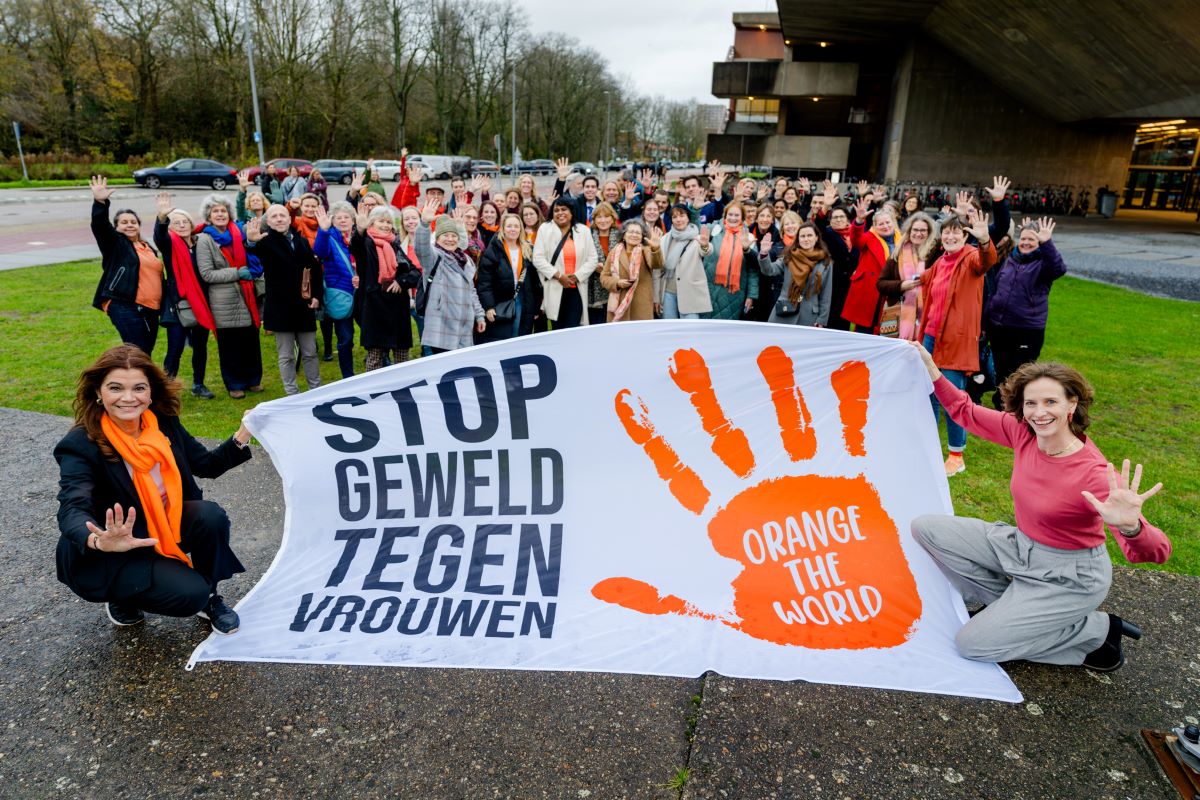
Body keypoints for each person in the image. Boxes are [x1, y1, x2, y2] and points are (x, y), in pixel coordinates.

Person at [910, 348, 1171, 672]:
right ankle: (1014, 612)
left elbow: (1159, 552)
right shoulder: (1024, 432)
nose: (1039, 412)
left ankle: (1097, 633)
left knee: (972, 644)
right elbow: (966, 413)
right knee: (926, 529)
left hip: (1070, 576)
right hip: (1021, 547)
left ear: (1072, 405)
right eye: (1031, 403)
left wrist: (1133, 527)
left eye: (1051, 402)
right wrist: (932, 370)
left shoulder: (1095, 474)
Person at [53, 345, 253, 634]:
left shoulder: (162, 423)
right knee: (187, 595)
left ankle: (210, 596)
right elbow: (73, 507)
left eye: (139, 388)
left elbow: (207, 465)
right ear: (99, 392)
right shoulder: (80, 443)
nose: (128, 398)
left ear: (150, 392)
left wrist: (243, 434)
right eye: (116, 388)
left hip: (162, 526)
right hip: (113, 543)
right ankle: (122, 594)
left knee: (210, 516)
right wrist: (99, 541)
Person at [919, 211, 997, 476]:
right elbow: (922, 280)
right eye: (947, 231)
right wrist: (893, 286)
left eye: (957, 232)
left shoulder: (970, 259)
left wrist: (985, 240)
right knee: (928, 392)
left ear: (966, 237)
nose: (950, 236)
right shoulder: (942, 261)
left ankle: (956, 454)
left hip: (955, 342)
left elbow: (986, 259)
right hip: (930, 337)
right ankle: (928, 447)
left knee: (952, 397)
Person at [985, 217, 1066, 407]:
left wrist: (1047, 242)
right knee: (1001, 368)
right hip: (999, 326)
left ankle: (1015, 405)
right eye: (1023, 238)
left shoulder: (1043, 264)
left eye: (1032, 240)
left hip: (1026, 329)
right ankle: (1002, 402)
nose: (1026, 243)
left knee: (1020, 371)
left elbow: (1058, 268)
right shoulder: (1010, 259)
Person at [245, 205, 323, 395]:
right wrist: (251, 241)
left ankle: (316, 390)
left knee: (310, 352)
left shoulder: (302, 241)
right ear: (268, 222)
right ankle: (292, 393)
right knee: (286, 355)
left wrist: (317, 296)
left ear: (289, 219)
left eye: (282, 215)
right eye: (274, 216)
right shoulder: (266, 242)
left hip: (304, 306)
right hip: (280, 308)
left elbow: (314, 270)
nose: (279, 219)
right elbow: (255, 250)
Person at [194, 194, 263, 399]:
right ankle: (234, 384)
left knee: (251, 340)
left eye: (223, 210)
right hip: (223, 299)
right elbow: (207, 274)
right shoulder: (204, 240)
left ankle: (253, 380)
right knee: (230, 345)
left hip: (247, 294)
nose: (220, 214)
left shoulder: (238, 232)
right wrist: (237, 272)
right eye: (215, 211)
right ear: (208, 215)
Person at [88, 176, 164, 355]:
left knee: (144, 352)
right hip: (125, 305)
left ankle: (137, 381)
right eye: (124, 222)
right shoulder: (116, 244)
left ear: (139, 226)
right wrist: (100, 202)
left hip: (151, 308)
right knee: (138, 352)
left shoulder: (147, 248)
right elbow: (99, 225)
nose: (129, 225)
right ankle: (136, 382)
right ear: (116, 228)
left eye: (133, 222)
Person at [152, 193, 215, 399]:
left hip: (201, 303)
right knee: (175, 348)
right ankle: (166, 390)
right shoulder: (170, 245)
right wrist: (161, 218)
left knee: (200, 347)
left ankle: (198, 384)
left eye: (184, 221)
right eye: (175, 222)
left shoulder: (202, 243)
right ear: (171, 227)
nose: (181, 225)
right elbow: (159, 237)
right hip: (177, 305)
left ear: (191, 223)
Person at [352, 205, 421, 369]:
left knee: (401, 359)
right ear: (372, 223)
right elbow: (356, 247)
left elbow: (414, 273)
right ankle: (374, 392)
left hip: (397, 310)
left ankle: (402, 390)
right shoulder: (366, 243)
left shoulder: (395, 245)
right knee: (375, 358)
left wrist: (401, 281)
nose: (385, 225)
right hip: (375, 309)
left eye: (389, 222)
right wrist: (360, 230)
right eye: (381, 221)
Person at [414, 198, 486, 353]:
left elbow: (471, 291)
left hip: (464, 328)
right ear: (438, 238)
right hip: (442, 329)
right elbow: (421, 248)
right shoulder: (433, 258)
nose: (450, 239)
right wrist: (424, 224)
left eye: (453, 236)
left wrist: (479, 315)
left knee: (462, 373)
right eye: (445, 235)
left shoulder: (465, 260)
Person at [532, 197, 598, 329]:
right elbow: (538, 258)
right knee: (558, 329)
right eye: (556, 210)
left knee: (573, 328)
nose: (560, 213)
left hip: (576, 289)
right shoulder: (545, 229)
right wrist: (559, 276)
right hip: (555, 287)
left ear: (572, 212)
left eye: (564, 209)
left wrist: (576, 277)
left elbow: (592, 259)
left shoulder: (583, 230)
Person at [312, 202, 360, 379]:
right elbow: (320, 252)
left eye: (346, 217)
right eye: (338, 217)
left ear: (353, 220)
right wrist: (323, 231)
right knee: (345, 338)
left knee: (372, 332)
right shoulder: (328, 236)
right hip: (341, 293)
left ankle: (379, 364)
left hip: (361, 292)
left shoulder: (359, 235)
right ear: (332, 221)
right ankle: (348, 376)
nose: (342, 220)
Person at [757, 221, 833, 326]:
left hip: (808, 317)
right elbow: (769, 270)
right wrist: (764, 253)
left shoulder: (825, 263)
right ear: (798, 239)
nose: (806, 239)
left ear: (816, 238)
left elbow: (826, 295)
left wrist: (822, 320)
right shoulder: (789, 257)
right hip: (784, 312)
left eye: (810, 235)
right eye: (803, 236)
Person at [877, 212, 938, 341]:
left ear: (929, 233)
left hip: (927, 315)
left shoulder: (936, 254)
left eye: (923, 230)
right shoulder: (898, 253)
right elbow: (880, 283)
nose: (919, 233)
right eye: (915, 230)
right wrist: (901, 285)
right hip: (898, 314)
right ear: (909, 231)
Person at [841, 197, 898, 332]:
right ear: (874, 226)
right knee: (864, 330)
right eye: (881, 224)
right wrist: (859, 221)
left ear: (894, 222)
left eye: (888, 222)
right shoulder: (869, 237)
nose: (885, 226)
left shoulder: (902, 239)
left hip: (891, 291)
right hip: (869, 292)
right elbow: (856, 240)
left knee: (887, 330)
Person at [476, 212, 534, 342]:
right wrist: (489, 306)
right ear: (502, 228)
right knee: (502, 337)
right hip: (500, 300)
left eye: (516, 226)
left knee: (520, 334)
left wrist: (534, 307)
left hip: (522, 299)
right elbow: (485, 282)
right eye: (509, 226)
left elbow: (534, 281)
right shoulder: (493, 250)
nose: (513, 229)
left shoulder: (528, 249)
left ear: (521, 229)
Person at [699, 202, 757, 320]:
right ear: (724, 216)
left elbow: (753, 271)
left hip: (734, 294)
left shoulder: (749, 237)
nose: (733, 218)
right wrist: (695, 210)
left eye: (737, 215)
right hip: (708, 288)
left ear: (742, 218)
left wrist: (751, 295)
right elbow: (695, 227)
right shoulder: (714, 230)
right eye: (730, 214)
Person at [599, 219, 663, 322]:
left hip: (641, 306)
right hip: (618, 306)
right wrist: (617, 283)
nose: (634, 235)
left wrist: (655, 248)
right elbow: (604, 277)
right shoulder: (614, 252)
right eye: (631, 232)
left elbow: (656, 264)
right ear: (624, 236)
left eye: (638, 232)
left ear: (642, 237)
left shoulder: (645, 250)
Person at [656, 204, 710, 320]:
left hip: (690, 292)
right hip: (668, 291)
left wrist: (705, 245)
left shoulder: (697, 237)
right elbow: (659, 266)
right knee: (670, 330)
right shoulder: (665, 238)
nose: (678, 220)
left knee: (690, 331)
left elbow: (707, 251)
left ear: (688, 218)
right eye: (674, 217)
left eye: (682, 216)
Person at [586, 202, 621, 325]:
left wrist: (607, 270)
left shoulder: (621, 236)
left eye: (606, 216)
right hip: (593, 290)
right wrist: (592, 266)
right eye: (599, 217)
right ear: (594, 219)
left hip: (616, 288)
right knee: (596, 324)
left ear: (612, 218)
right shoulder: (588, 236)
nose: (603, 220)